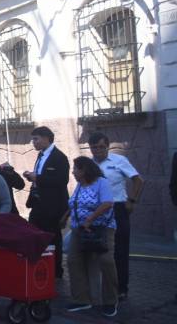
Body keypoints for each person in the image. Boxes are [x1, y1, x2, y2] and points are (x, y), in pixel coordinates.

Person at [88, 132, 144, 301]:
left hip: (117, 209)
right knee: (97, 251)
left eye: (101, 147)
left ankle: (121, 289)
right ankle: (102, 288)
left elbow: (138, 180)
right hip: (96, 211)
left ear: (107, 146)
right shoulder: (89, 164)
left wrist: (132, 201)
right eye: (94, 147)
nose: (98, 150)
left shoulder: (119, 161)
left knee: (120, 251)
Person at [65, 156, 118, 317]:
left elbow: (107, 203)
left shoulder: (102, 183)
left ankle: (110, 301)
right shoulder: (80, 185)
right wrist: (64, 218)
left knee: (106, 261)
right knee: (73, 260)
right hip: (79, 230)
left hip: (102, 229)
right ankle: (81, 299)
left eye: (76, 169)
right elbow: (74, 204)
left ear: (84, 170)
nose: (73, 172)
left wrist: (90, 219)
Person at [23, 126, 70, 279]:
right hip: (37, 204)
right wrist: (32, 177)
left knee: (52, 237)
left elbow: (62, 181)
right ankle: (38, 266)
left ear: (46, 138)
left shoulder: (59, 157)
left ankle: (56, 271)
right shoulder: (40, 155)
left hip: (53, 207)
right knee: (34, 234)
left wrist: (38, 178)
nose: (33, 142)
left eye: (36, 139)